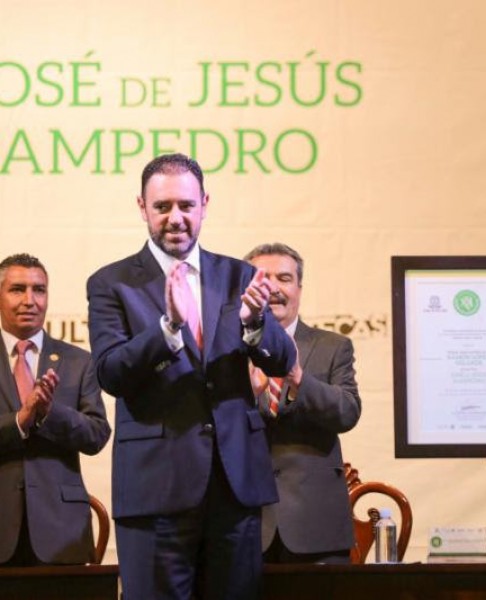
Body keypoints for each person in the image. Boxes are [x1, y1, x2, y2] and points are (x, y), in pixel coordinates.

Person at [86, 154, 297, 600]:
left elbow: (282, 360)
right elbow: (110, 373)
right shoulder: (111, 283)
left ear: (204, 203)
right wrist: (168, 328)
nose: (175, 218)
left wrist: (255, 321)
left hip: (234, 485)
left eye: (186, 205)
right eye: (162, 207)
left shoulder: (239, 275)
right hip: (155, 489)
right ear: (142, 207)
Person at [243, 243, 361, 564]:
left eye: (284, 278)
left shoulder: (333, 346)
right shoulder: (226, 348)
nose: (275, 289)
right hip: (244, 524)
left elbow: (347, 412)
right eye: (263, 279)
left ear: (299, 287)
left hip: (316, 525)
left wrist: (298, 378)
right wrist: (249, 396)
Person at [0, 253, 110, 566]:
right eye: (17, 289)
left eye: (39, 290)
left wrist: (50, 413)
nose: (29, 300)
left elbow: (97, 435)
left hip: (61, 531)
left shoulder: (78, 361)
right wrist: (21, 420)